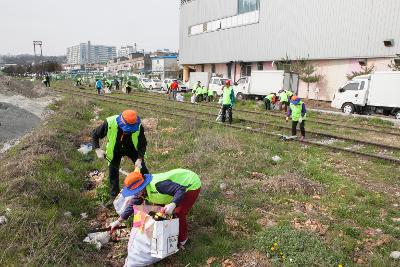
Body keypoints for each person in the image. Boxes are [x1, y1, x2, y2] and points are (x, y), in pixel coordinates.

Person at [110, 168, 201, 247]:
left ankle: (183, 240)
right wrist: (119, 221)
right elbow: (133, 205)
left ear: (142, 186)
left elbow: (180, 190)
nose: (135, 194)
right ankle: (170, 229)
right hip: (174, 189)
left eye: (136, 191)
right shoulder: (142, 191)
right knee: (161, 211)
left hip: (189, 184)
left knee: (178, 213)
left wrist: (173, 204)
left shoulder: (158, 185)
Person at [92, 110, 148, 198]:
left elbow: (142, 144)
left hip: (131, 147)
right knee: (113, 173)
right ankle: (115, 197)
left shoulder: (139, 126)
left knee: (143, 169)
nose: (128, 132)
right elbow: (95, 134)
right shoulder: (110, 122)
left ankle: (148, 191)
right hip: (115, 149)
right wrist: (97, 149)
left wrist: (139, 159)